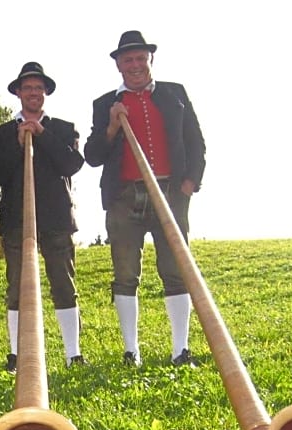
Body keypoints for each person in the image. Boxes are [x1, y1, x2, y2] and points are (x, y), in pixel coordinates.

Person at [84, 30, 206, 367]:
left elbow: (195, 141)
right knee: (125, 273)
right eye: (128, 60)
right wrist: (111, 126)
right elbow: (92, 155)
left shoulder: (174, 94)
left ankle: (180, 349)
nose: (135, 65)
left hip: (171, 193)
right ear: (118, 66)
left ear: (150, 59)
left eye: (140, 58)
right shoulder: (105, 104)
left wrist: (189, 184)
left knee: (175, 270)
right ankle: (130, 351)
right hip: (125, 197)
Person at [0, 62, 87, 373]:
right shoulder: (3, 133)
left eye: (39, 88)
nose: (34, 93)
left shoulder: (63, 128)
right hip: (17, 221)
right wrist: (19, 147)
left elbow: (71, 164)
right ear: (18, 93)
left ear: (45, 92)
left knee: (63, 282)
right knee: (17, 286)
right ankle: (17, 355)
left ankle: (73, 353)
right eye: (28, 88)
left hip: (56, 219)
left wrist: (42, 135)